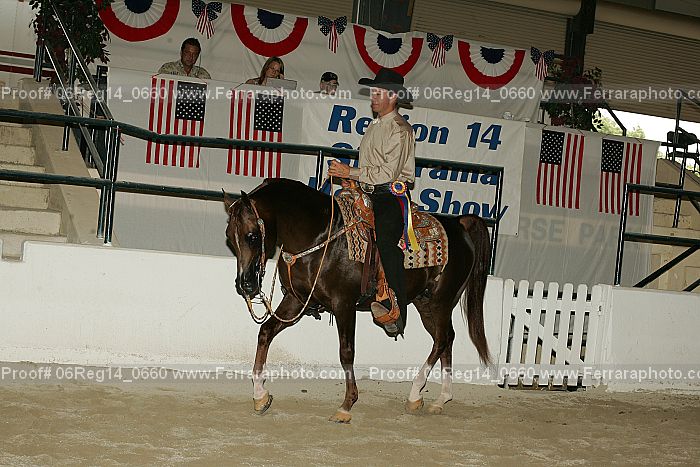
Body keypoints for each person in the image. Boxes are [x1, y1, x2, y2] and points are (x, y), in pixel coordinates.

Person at [327, 67, 415, 338]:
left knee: (386, 241)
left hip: (389, 195)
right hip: (367, 190)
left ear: (392, 96)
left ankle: (397, 309)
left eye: (378, 93)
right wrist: (352, 180)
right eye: (373, 92)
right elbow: (370, 165)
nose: (373, 98)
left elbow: (388, 173)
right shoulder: (375, 125)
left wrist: (350, 172)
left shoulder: (400, 130)